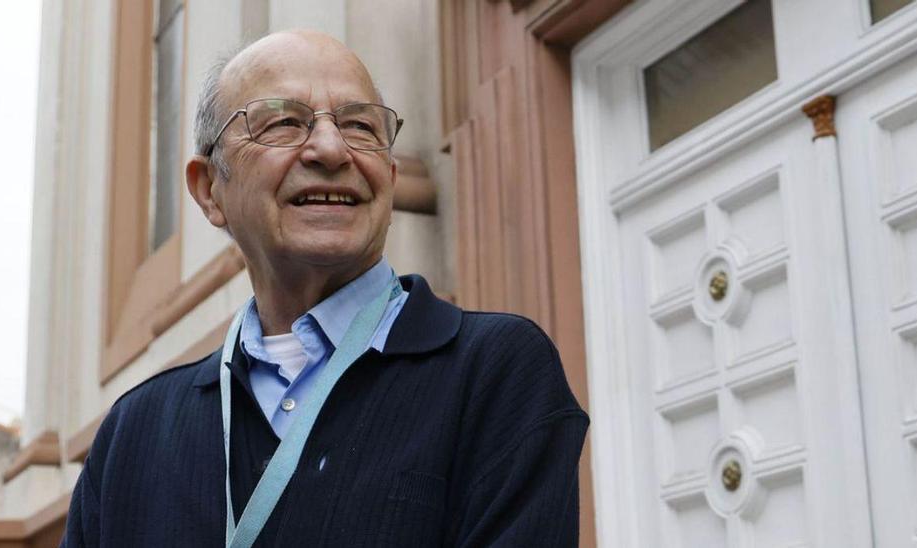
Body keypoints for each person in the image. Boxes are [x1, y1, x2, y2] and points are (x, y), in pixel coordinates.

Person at [61, 30, 587, 547]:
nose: (333, 149)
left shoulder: (495, 373)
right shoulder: (135, 430)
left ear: (388, 171)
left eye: (360, 126)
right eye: (284, 122)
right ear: (209, 190)